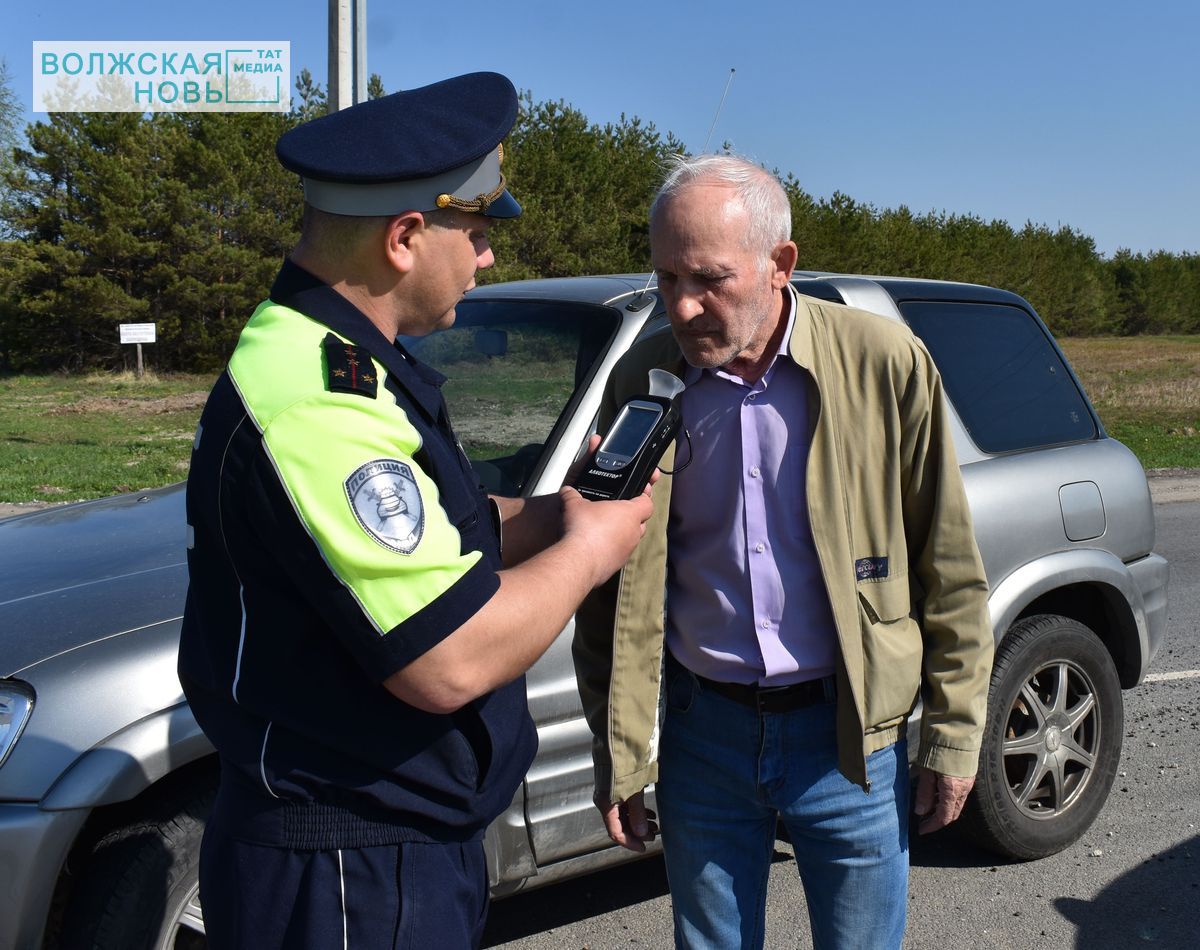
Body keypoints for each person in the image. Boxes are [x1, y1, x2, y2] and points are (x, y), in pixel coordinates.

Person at [178, 72, 654, 950]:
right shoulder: (319, 402)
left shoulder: (338, 357)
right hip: (349, 872)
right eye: (475, 233)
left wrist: (566, 513)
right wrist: (590, 552)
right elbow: (447, 658)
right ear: (404, 238)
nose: (488, 258)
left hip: (383, 853)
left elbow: (449, 526)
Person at [573, 154, 993, 950]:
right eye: (665, 279)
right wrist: (621, 754)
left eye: (709, 278)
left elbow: (950, 570)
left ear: (780, 264)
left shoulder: (884, 364)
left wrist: (952, 735)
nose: (683, 306)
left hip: (851, 742)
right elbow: (609, 588)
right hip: (704, 737)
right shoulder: (645, 375)